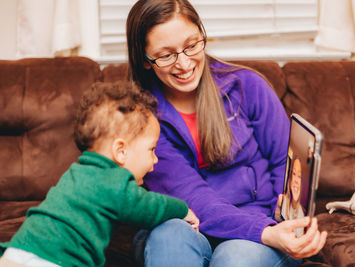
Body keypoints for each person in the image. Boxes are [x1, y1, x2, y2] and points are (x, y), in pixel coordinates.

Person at [126, 0, 327, 266]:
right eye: (166, 55)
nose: (184, 63)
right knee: (168, 236)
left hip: (257, 228)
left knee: (235, 258)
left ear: (202, 35)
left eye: (191, 45)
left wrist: (283, 220)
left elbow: (285, 162)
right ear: (145, 59)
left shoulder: (247, 86)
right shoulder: (142, 117)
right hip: (188, 223)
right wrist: (266, 233)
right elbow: (193, 197)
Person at [0, 81, 199, 267]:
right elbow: (150, 206)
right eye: (151, 149)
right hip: (52, 259)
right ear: (121, 151)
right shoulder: (112, 181)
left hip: (17, 251)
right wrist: (182, 210)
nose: (155, 160)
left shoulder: (78, 172)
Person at [281, 157, 306, 237]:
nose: (296, 180)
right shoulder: (282, 201)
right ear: (290, 179)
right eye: (294, 174)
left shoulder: (301, 213)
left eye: (299, 176)